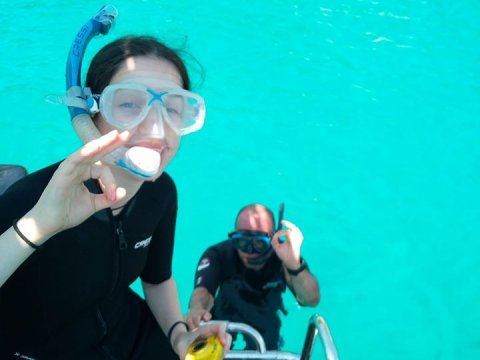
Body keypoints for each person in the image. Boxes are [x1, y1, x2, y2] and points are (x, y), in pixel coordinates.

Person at [0, 35, 230, 359]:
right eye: (129, 104)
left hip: (126, 332)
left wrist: (179, 335)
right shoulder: (30, 199)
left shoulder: (160, 192)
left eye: (173, 109)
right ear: (90, 114)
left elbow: (158, 280)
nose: (156, 128)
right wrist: (38, 226)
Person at [186, 203, 320, 350]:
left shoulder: (283, 256)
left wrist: (294, 263)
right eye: (242, 242)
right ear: (233, 238)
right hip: (227, 308)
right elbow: (203, 292)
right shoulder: (219, 254)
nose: (250, 252)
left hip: (266, 312)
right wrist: (197, 309)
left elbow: (311, 300)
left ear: (272, 238)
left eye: (259, 243)